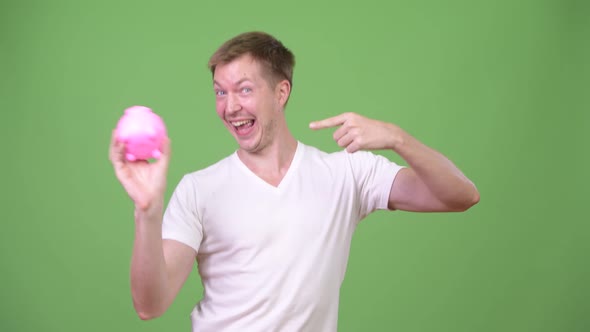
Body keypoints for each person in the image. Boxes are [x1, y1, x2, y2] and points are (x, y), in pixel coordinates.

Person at [109, 31, 479, 331]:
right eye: (221, 91)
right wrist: (147, 211)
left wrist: (398, 138)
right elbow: (150, 305)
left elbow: (460, 195)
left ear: (281, 92)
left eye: (244, 89)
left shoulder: (347, 173)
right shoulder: (198, 189)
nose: (230, 106)